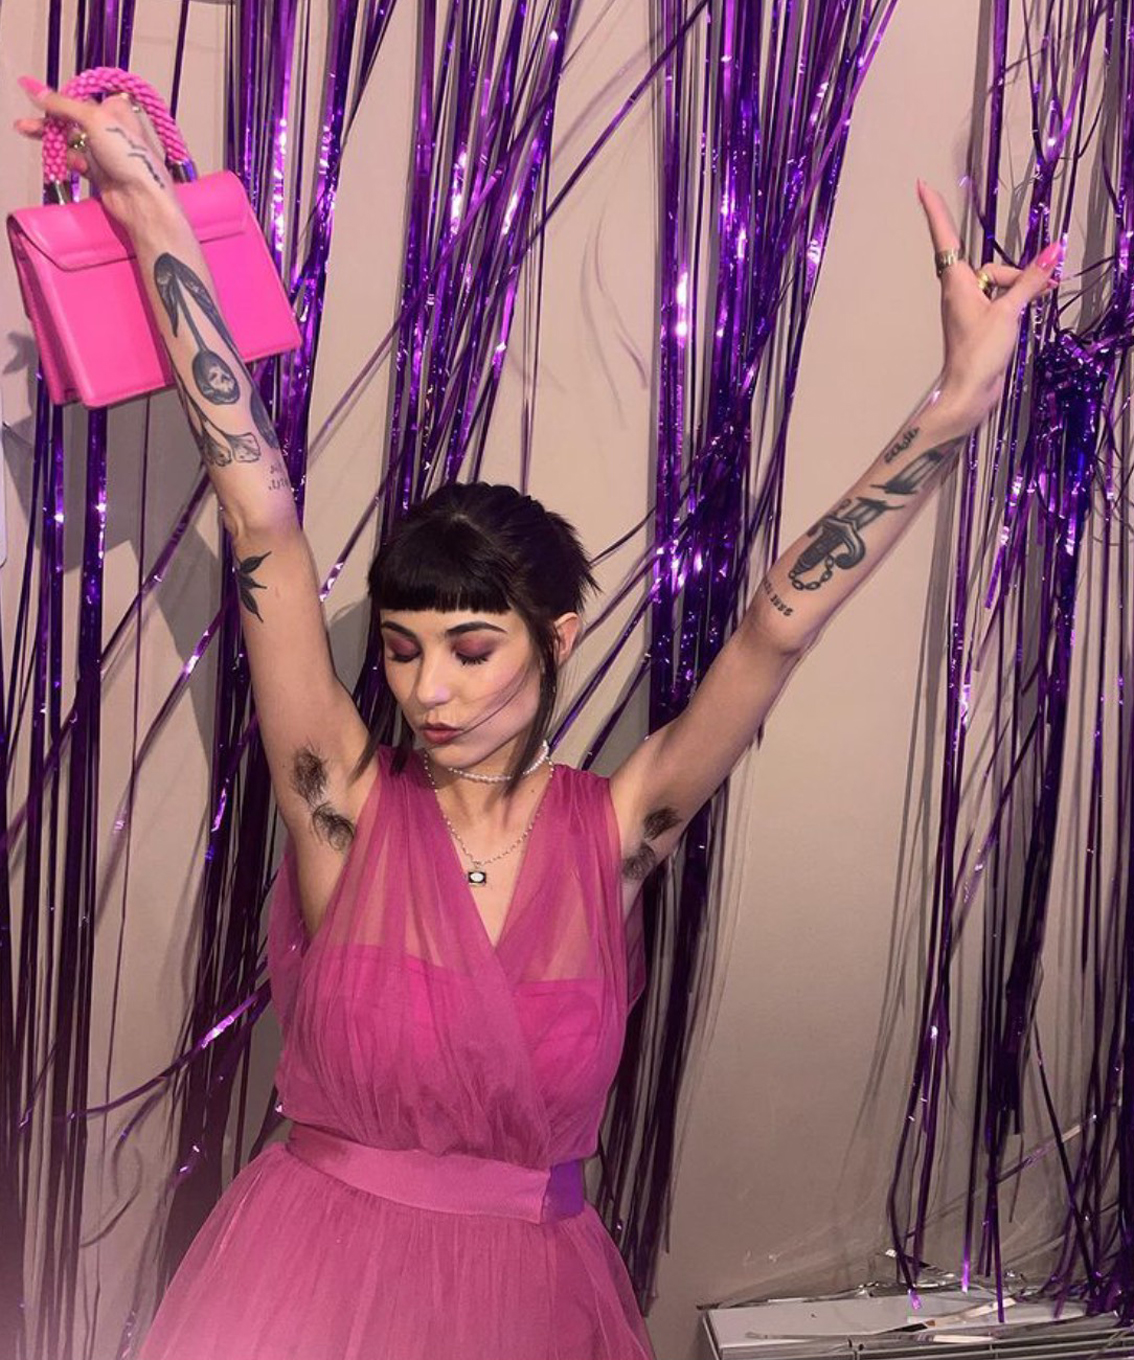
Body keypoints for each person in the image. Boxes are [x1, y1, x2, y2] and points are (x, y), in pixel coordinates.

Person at [13, 76, 1063, 1360]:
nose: (428, 691)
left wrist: (955, 405)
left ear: (556, 639)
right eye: (400, 650)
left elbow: (775, 628)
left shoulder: (615, 833)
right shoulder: (342, 806)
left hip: (533, 1303)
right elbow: (260, 519)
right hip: (302, 1287)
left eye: (470, 650)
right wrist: (145, 207)